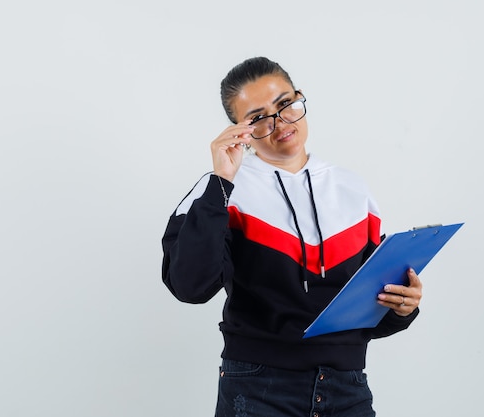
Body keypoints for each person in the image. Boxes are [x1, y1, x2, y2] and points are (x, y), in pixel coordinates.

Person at [161, 57, 423, 417]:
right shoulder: (219, 192)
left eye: (286, 104)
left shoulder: (351, 188)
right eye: (258, 118)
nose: (279, 122)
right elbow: (190, 287)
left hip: (349, 389)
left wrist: (403, 307)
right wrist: (221, 180)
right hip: (257, 389)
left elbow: (368, 305)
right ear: (239, 129)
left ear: (300, 99)